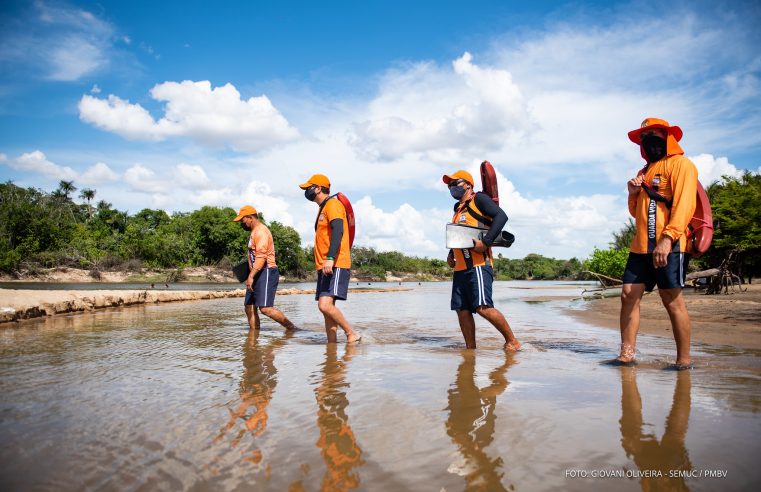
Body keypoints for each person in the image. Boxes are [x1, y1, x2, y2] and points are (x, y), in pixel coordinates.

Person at [619, 118, 698, 368]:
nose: (648, 140)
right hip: (640, 246)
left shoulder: (681, 165)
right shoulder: (643, 172)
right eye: (644, 137)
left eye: (653, 134)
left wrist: (668, 238)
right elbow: (637, 213)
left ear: (667, 137)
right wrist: (632, 195)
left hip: (669, 244)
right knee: (628, 294)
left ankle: (683, 361)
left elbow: (686, 204)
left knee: (671, 299)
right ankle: (627, 354)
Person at [443, 170, 520, 350]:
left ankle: (512, 341)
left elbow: (502, 217)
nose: (451, 188)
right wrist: (450, 255)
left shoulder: (479, 199)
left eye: (455, 183)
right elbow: (458, 235)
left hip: (478, 265)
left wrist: (486, 242)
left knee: (482, 307)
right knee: (461, 310)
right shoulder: (457, 209)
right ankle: (470, 349)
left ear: (468, 184)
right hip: (460, 268)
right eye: (449, 185)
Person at [298, 174, 361, 343]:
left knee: (324, 305)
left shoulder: (333, 204)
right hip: (325, 265)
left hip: (336, 262)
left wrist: (330, 257)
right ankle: (331, 347)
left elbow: (338, 230)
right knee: (327, 310)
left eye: (308, 188)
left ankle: (351, 333)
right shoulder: (323, 207)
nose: (306, 191)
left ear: (318, 188)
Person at [232, 205, 295, 333]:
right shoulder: (254, 232)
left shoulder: (261, 231)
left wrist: (251, 276)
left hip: (266, 271)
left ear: (250, 218)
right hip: (256, 272)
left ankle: (292, 328)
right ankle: (253, 337)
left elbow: (261, 257)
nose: (241, 223)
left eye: (242, 220)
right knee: (249, 306)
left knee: (265, 308)